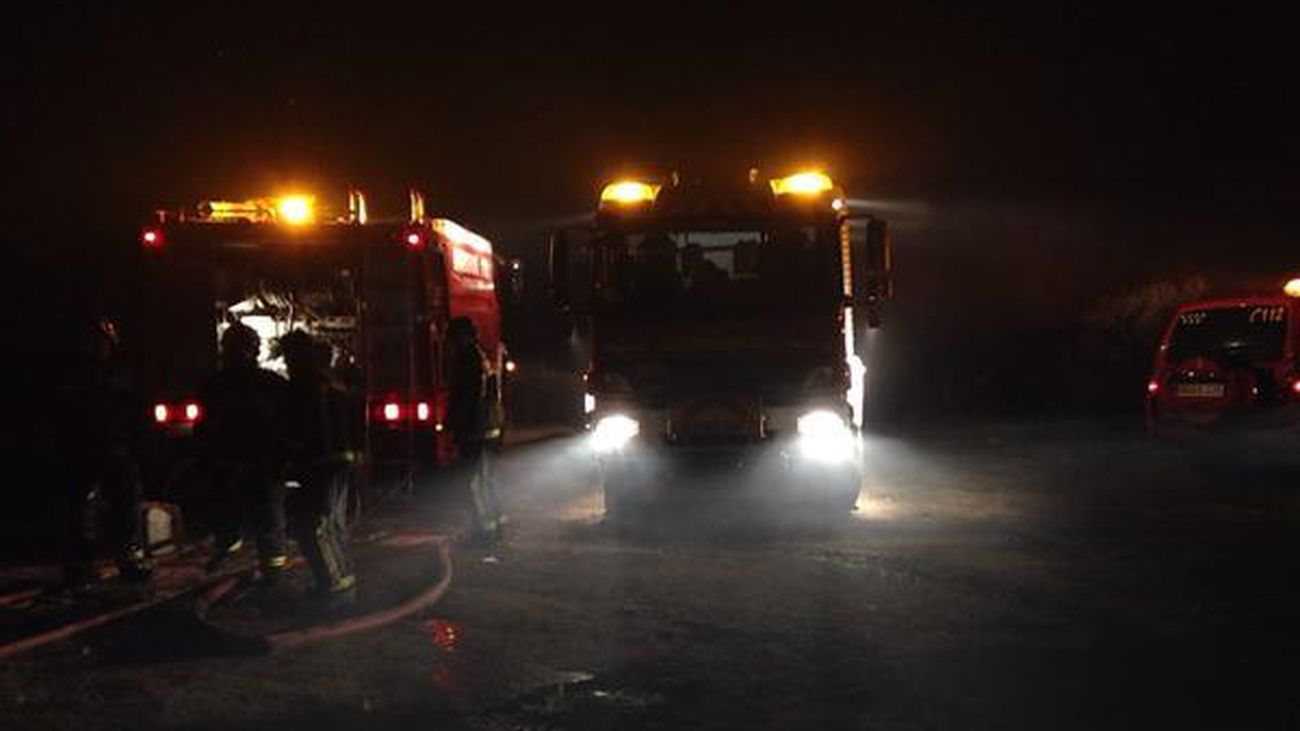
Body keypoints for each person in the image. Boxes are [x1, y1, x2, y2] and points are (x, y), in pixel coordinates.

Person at [62, 316, 152, 590]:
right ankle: (87, 567)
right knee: (89, 510)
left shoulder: (109, 374)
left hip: (106, 450)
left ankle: (109, 564)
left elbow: (134, 412)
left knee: (116, 506)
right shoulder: (93, 375)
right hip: (92, 449)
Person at [197, 322, 290, 582]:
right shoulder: (269, 384)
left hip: (256, 463)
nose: (236, 354)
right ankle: (264, 566)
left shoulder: (216, 384)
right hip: (243, 462)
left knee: (264, 518)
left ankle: (271, 571)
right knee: (258, 516)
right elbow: (205, 426)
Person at [279, 330, 357, 611]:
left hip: (320, 464)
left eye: (289, 356)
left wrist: (288, 454)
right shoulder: (327, 380)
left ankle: (334, 591)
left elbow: (302, 429)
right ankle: (339, 584)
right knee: (329, 525)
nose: (287, 362)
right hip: (333, 463)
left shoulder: (306, 385)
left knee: (315, 527)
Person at [446, 317, 504, 546]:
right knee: (485, 480)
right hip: (487, 428)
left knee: (470, 482)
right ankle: (495, 526)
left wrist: (452, 423)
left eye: (454, 339)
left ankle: (482, 532)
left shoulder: (466, 359)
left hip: (474, 428)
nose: (452, 344)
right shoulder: (481, 356)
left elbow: (463, 397)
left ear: (463, 337)